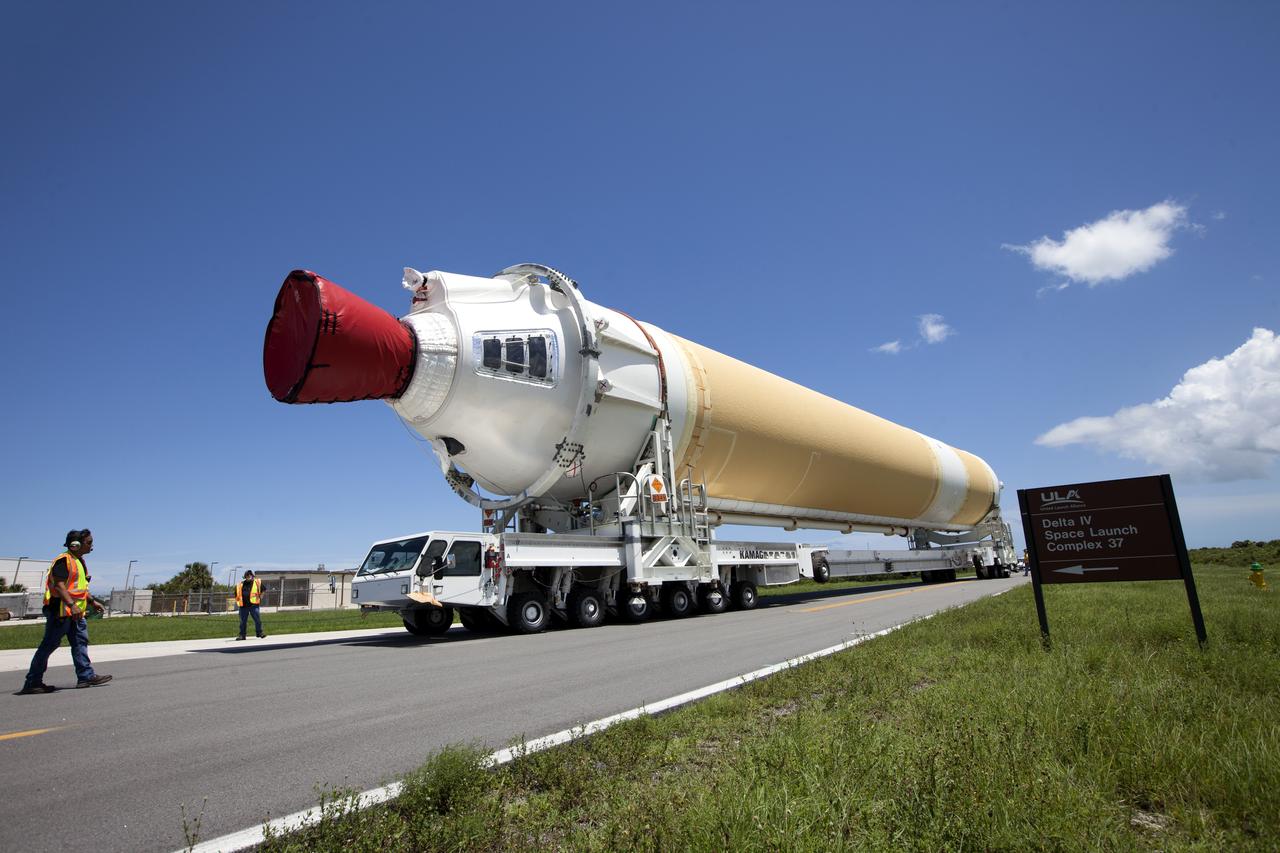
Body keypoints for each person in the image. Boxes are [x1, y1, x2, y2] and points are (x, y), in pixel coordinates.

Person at [18, 529, 112, 694]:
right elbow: (59, 586)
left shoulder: (78, 561)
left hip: (75, 613)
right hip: (60, 612)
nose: (92, 546)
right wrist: (71, 605)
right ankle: (33, 681)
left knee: (80, 643)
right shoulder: (64, 561)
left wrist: (91, 601)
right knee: (49, 645)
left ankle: (85, 677)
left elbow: (79, 587)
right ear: (75, 545)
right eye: (89, 542)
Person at [236, 569, 267, 640]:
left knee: (257, 620)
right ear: (245, 576)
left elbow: (263, 589)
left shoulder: (257, 582)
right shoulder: (240, 584)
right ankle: (242, 635)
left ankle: (259, 633)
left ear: (252, 576)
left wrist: (261, 597)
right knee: (242, 622)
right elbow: (237, 593)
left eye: (250, 575)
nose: (248, 576)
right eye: (247, 575)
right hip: (243, 606)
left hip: (254, 605)